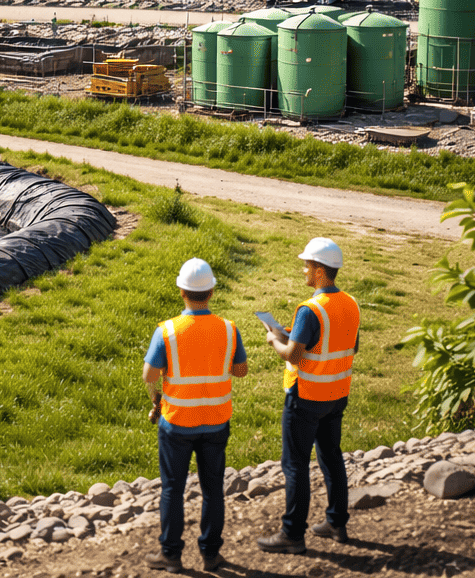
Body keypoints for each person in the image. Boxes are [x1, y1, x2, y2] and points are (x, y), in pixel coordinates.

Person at [142, 257, 249, 573]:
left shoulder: (168, 331)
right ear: (212, 291)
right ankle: (211, 555)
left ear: (181, 291)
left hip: (177, 424)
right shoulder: (229, 329)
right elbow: (241, 371)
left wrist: (156, 401)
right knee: (213, 487)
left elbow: (150, 374)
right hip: (216, 421)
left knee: (173, 488)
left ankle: (171, 555)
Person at [257, 237, 361, 554]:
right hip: (337, 393)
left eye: (306, 265)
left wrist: (274, 338)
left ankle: (292, 535)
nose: (304, 270)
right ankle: (336, 522)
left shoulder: (309, 310)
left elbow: (293, 356)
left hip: (306, 397)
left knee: (296, 465)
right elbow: (349, 346)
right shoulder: (351, 304)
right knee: (331, 456)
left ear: (318, 270)